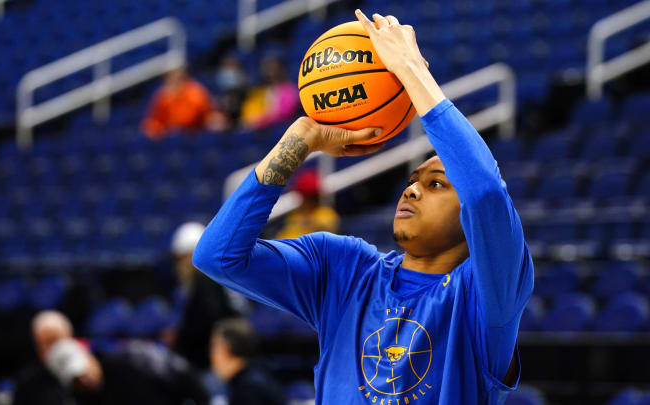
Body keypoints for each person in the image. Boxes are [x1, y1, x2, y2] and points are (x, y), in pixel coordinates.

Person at [192, 10, 534, 405]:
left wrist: (409, 70)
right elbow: (217, 256)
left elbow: (486, 193)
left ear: (471, 223)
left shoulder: (487, 294)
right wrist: (300, 139)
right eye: (411, 183)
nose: (412, 192)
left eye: (436, 184)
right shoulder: (345, 268)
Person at [13, 310, 209, 405]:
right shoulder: (41, 387)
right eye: (77, 381)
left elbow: (186, 382)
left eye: (55, 339)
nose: (85, 380)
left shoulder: (130, 362)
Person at [163, 222, 245, 370]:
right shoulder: (200, 281)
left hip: (208, 358)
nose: (179, 265)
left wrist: (181, 335)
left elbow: (208, 318)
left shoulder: (206, 281)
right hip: (206, 354)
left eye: (183, 258)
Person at [209, 318, 286, 405]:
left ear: (226, 348)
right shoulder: (252, 378)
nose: (211, 354)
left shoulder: (248, 388)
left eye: (214, 345)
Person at [141, 67, 226, 139]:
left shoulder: (195, 91)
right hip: (170, 135)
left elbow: (206, 112)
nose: (174, 81)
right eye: (171, 78)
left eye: (178, 78)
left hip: (195, 131)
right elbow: (154, 120)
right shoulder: (162, 95)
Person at [275, 168, 339, 239]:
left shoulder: (326, 213)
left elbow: (326, 232)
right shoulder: (294, 214)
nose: (303, 200)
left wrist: (309, 222)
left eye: (305, 196)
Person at [240, 55, 299, 130]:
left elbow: (286, 112)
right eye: (269, 68)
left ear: (282, 69)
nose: (272, 72)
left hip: (282, 129)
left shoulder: (290, 90)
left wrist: (263, 119)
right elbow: (249, 114)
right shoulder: (261, 91)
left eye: (275, 68)